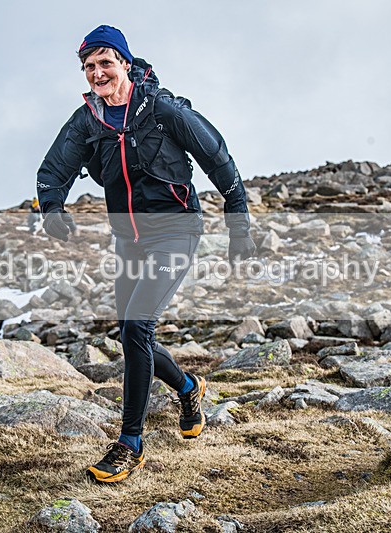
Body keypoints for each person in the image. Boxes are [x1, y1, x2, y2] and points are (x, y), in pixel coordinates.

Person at [36, 24, 256, 483]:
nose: (97, 73)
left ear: (124, 63)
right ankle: (188, 387)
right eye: (89, 67)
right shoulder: (88, 119)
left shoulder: (160, 108)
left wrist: (238, 223)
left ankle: (129, 442)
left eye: (105, 63)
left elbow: (216, 156)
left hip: (176, 231)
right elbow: (54, 167)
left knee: (138, 325)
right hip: (129, 239)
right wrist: (52, 207)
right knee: (130, 333)